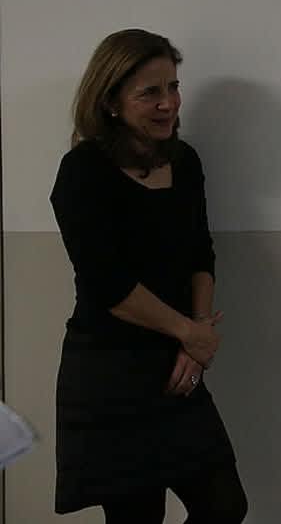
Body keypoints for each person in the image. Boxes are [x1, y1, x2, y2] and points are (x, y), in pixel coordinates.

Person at [50, 29, 247, 523]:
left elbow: (201, 252)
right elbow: (107, 285)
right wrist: (190, 332)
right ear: (111, 101)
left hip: (178, 362)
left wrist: (196, 339)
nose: (168, 104)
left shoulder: (185, 161)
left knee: (224, 506)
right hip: (110, 369)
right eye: (150, 92)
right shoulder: (83, 171)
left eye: (173, 87)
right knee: (137, 516)